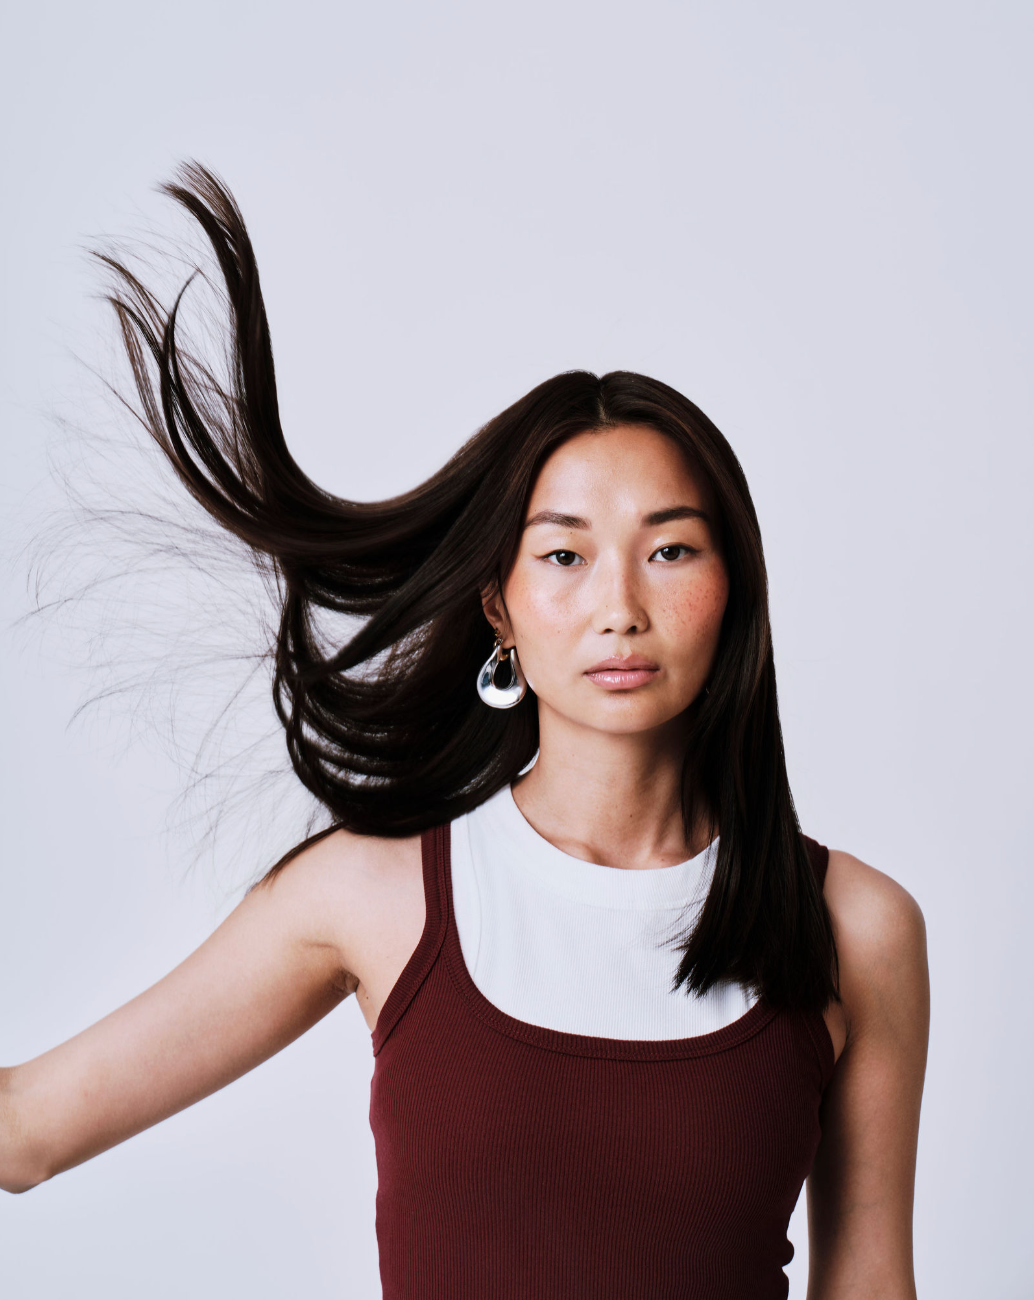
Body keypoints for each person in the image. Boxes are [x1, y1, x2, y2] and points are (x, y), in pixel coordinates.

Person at [0, 166, 929, 1300]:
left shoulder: (854, 928)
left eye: (670, 549)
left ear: (733, 590)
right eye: (563, 554)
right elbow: (25, 1129)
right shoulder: (373, 894)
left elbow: (869, 1283)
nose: (619, 605)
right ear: (499, 606)